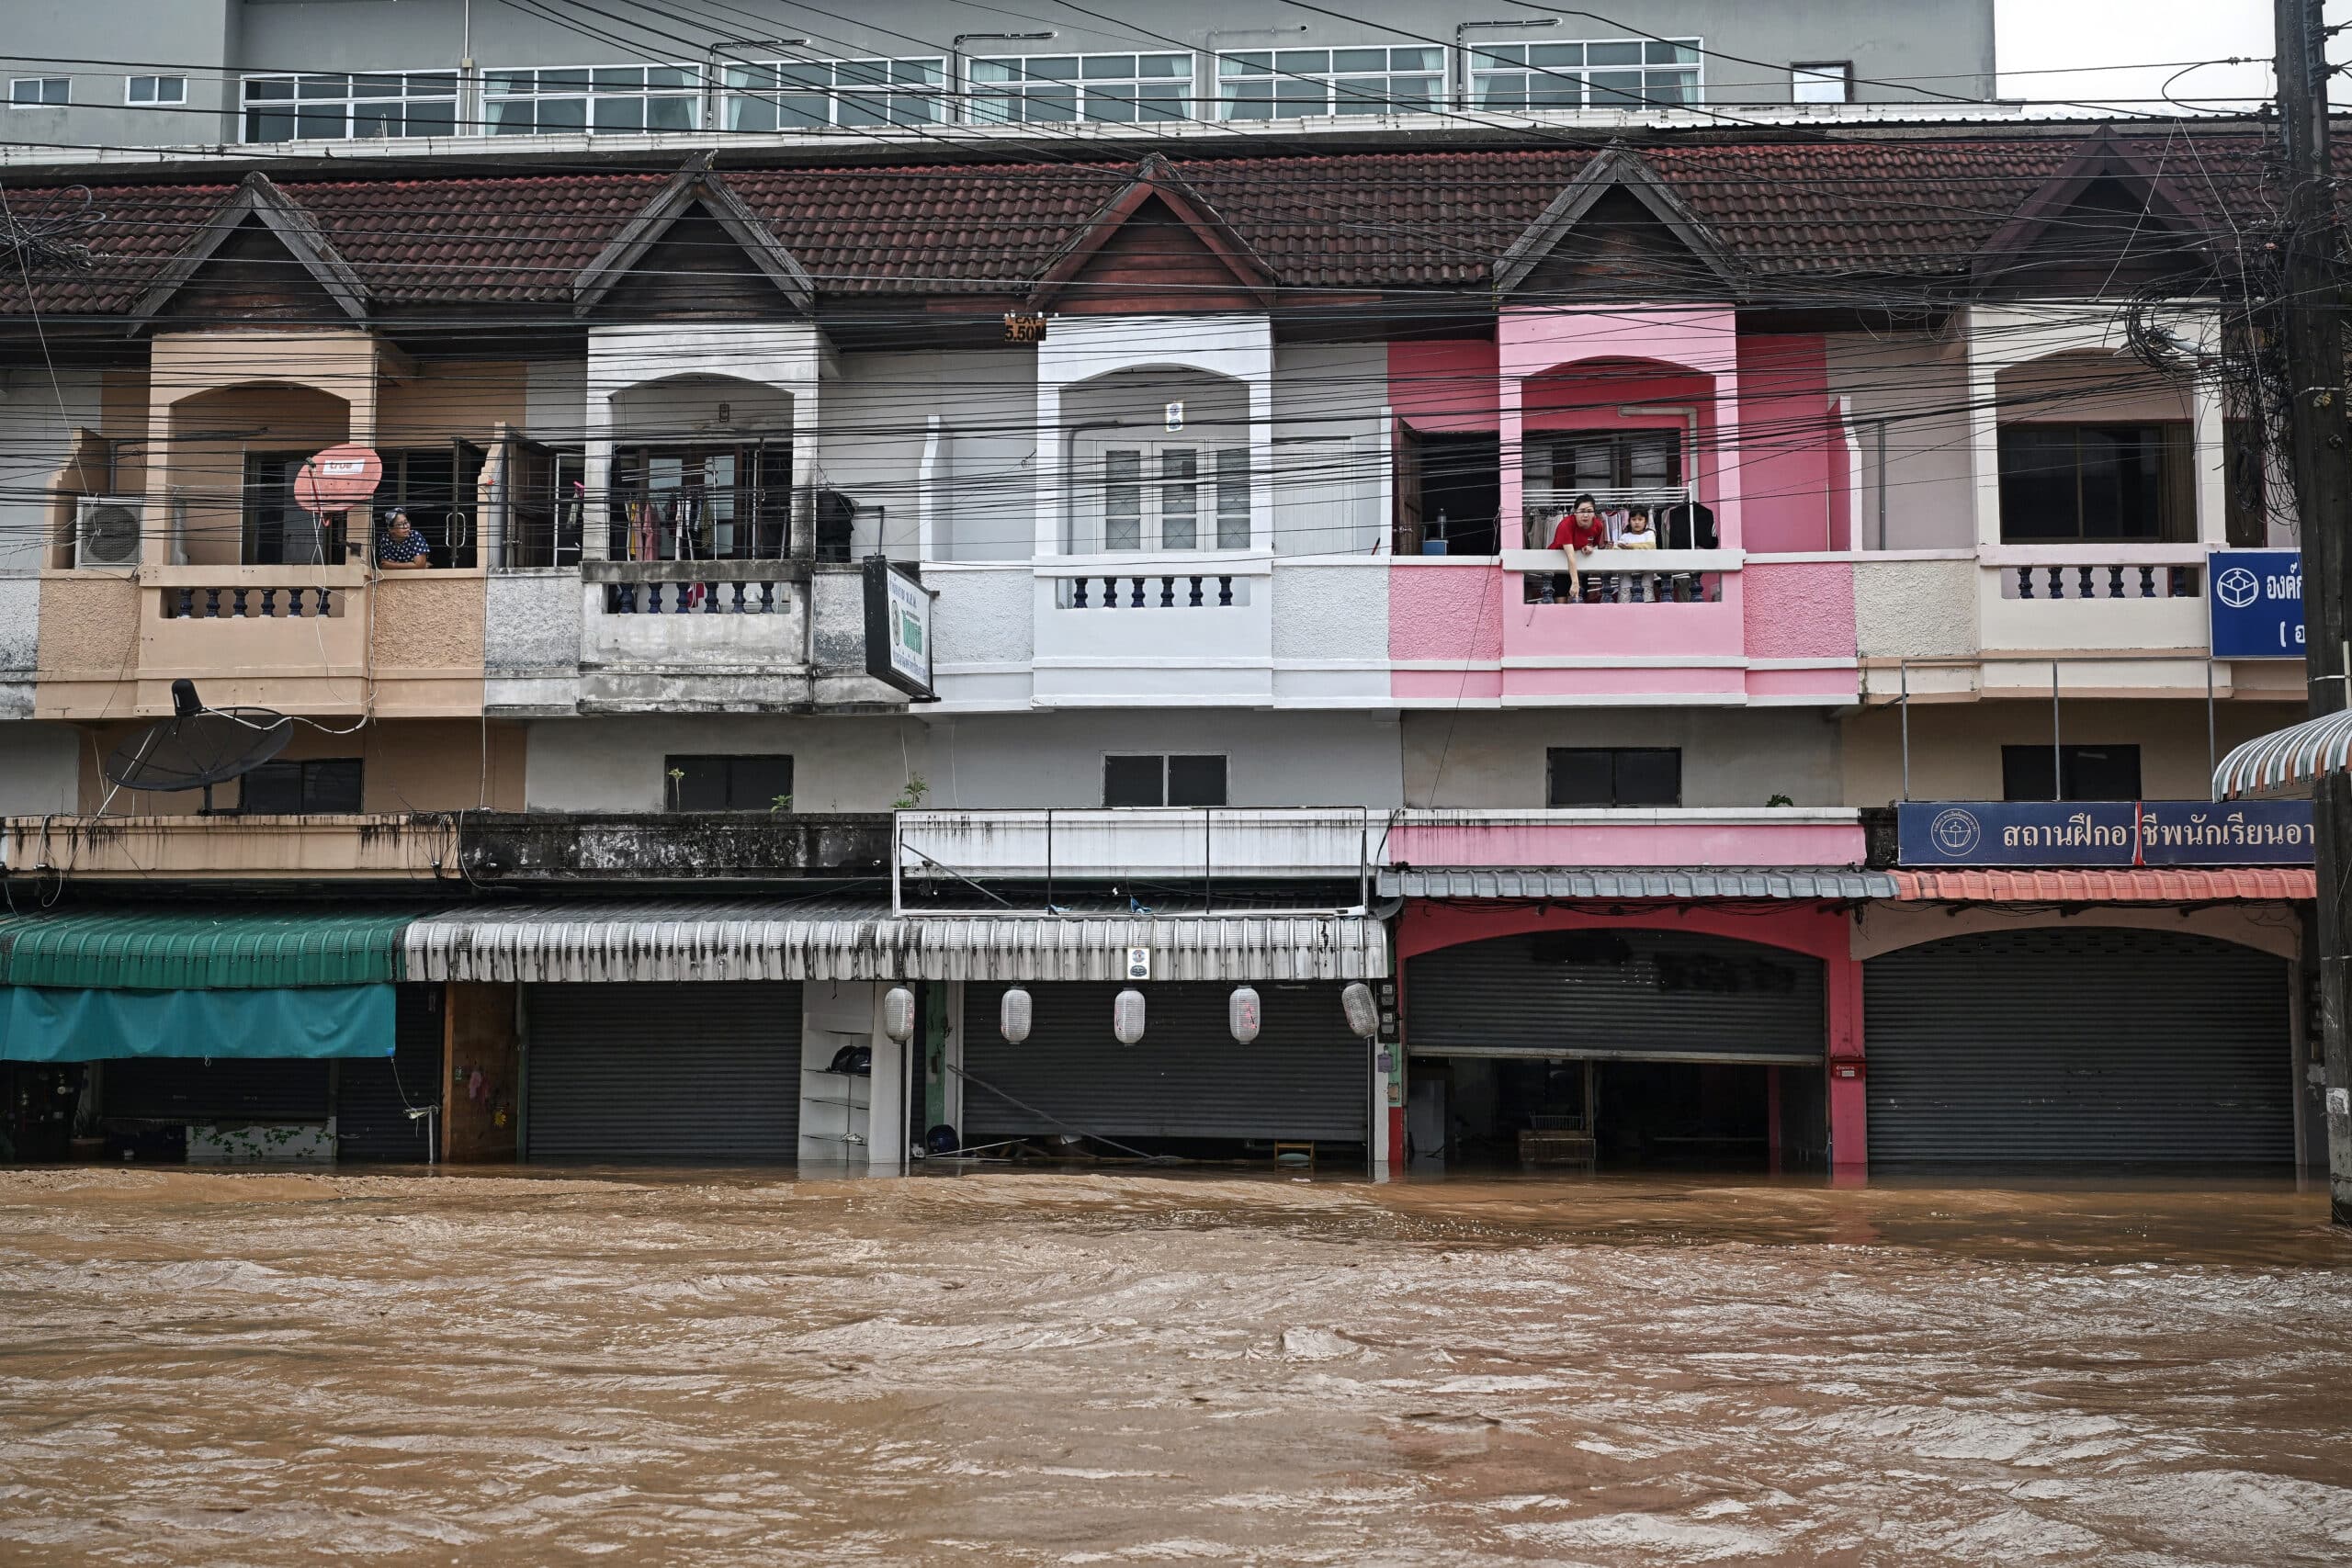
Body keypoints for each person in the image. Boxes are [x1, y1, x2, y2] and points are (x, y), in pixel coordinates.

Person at [1542, 493, 1605, 603]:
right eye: (1582, 511)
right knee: (1561, 602)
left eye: (1589, 511)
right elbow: (1570, 556)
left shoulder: (1598, 525)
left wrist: (1588, 547)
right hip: (1560, 565)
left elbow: (1592, 543)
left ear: (1594, 513)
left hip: (1581, 566)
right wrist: (1575, 583)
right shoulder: (1565, 524)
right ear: (1574, 512)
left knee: (1579, 603)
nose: (1585, 515)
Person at [375, 507, 431, 571]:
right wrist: (413, 565)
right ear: (391, 529)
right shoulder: (386, 539)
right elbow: (384, 565)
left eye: (406, 522)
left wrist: (392, 565)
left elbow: (419, 565)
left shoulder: (415, 536)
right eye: (400, 524)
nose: (406, 527)